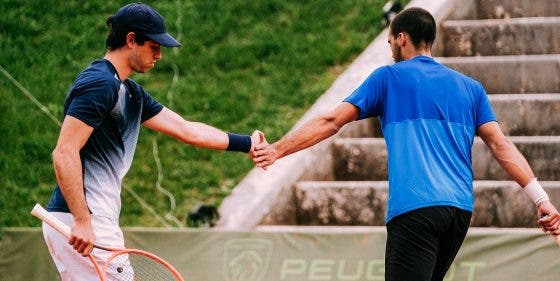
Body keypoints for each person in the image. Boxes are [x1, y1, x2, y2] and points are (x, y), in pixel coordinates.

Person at [252, 7, 560, 281]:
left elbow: (332, 121)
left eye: (389, 42)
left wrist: (278, 149)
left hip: (416, 209)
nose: (390, 50)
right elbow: (500, 144)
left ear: (402, 38)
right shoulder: (470, 88)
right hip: (458, 212)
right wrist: (540, 198)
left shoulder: (388, 78)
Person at [42, 3, 264, 280]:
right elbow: (64, 152)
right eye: (154, 46)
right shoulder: (100, 84)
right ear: (131, 39)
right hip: (85, 222)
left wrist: (247, 143)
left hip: (86, 220)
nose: (159, 55)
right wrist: (82, 220)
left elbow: (187, 129)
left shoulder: (129, 92)